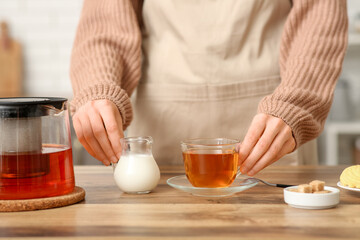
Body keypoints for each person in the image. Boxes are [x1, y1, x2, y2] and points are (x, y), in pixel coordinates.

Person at [70, 0, 348, 176]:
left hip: (275, 128)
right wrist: (96, 86)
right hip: (162, 124)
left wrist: (295, 103)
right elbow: (103, 25)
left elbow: (319, 15)